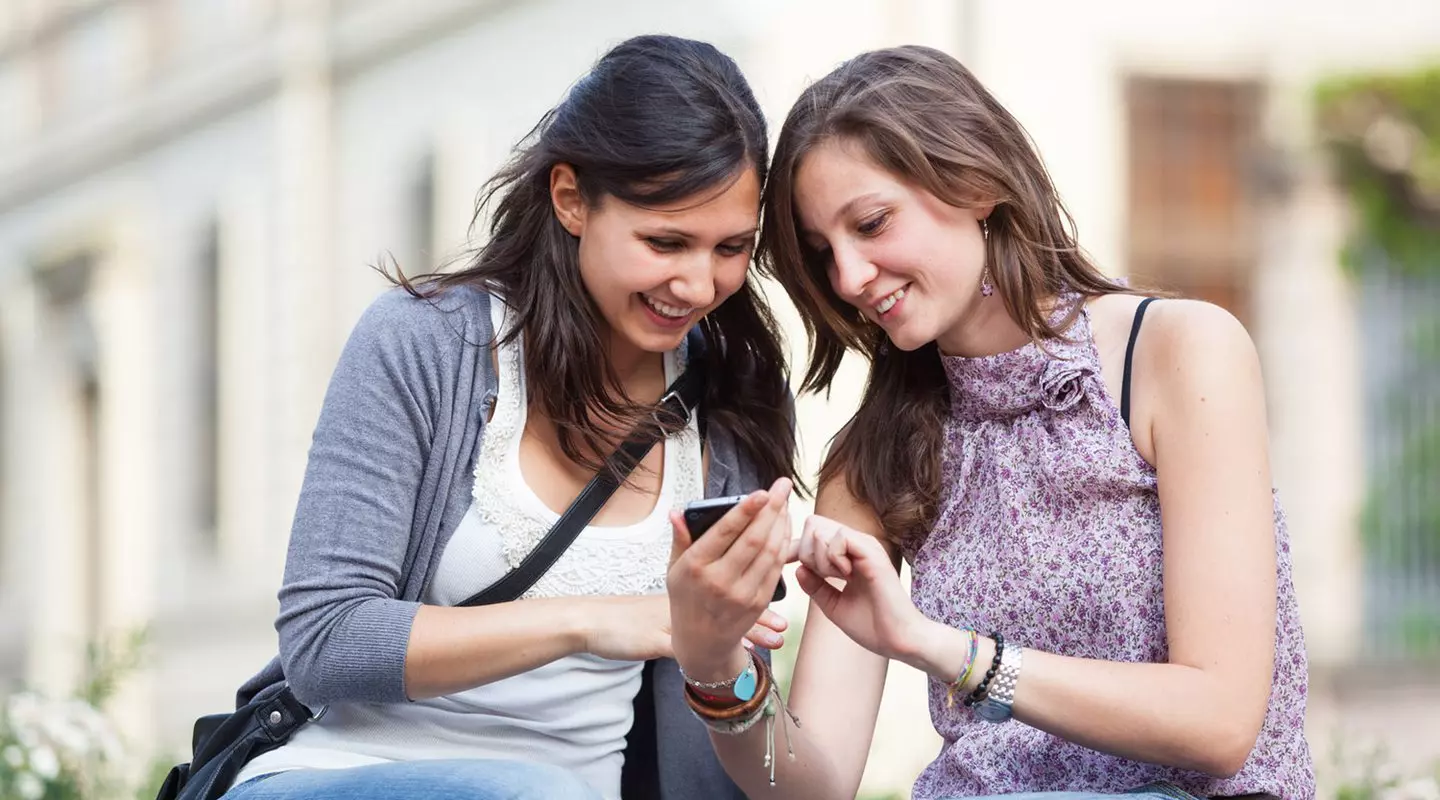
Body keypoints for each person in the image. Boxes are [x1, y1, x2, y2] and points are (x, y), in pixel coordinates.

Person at [671, 45, 1315, 800]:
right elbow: (815, 786)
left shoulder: (1178, 354)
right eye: (822, 254)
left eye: (871, 223)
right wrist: (715, 668)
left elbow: (1220, 722)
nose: (847, 278)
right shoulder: (876, 458)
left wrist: (934, 646)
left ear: (975, 183)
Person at [218, 34, 798, 800]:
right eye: (666, 241)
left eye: (731, 248)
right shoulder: (427, 344)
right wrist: (590, 621)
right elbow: (325, 638)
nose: (698, 282)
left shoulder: (733, 397)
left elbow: (752, 746)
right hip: (339, 776)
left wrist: (721, 657)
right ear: (570, 199)